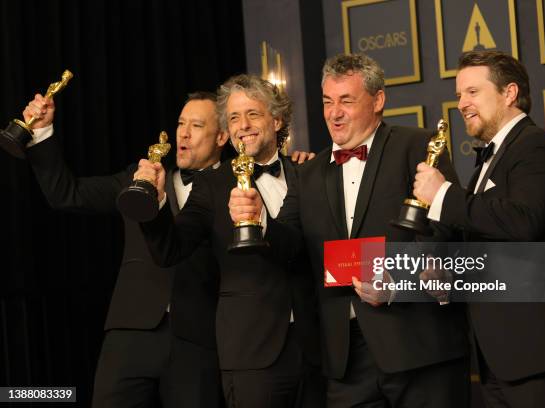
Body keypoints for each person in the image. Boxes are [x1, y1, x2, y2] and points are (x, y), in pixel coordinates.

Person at [230, 53, 471, 407]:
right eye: (328, 102)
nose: (334, 113)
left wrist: (397, 282)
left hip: (417, 348)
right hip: (344, 359)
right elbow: (291, 246)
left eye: (346, 101)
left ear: (378, 101)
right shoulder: (308, 174)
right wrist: (259, 221)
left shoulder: (416, 146)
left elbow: (444, 232)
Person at [413, 50, 545, 407]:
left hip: (539, 354)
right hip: (498, 357)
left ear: (509, 93)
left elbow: (522, 221)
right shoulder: (490, 158)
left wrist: (443, 193)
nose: (462, 104)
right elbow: (488, 239)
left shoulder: (540, 147)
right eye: (458, 95)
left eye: (472, 92)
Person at [23, 91, 228, 407]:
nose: (184, 133)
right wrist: (40, 133)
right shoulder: (139, 177)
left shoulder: (237, 187)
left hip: (198, 340)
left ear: (222, 137)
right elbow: (67, 194)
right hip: (130, 332)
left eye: (197, 125)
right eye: (180, 123)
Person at [136, 74, 322, 407]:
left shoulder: (307, 172)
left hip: (318, 349)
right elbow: (170, 249)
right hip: (252, 353)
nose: (242, 125)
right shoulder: (211, 185)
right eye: (234, 117)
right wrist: (157, 202)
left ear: (277, 120)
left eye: (253, 114)